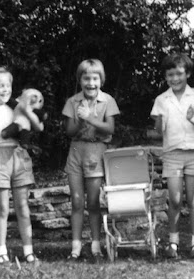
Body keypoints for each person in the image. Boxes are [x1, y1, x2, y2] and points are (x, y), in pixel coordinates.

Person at [0, 67, 43, 264]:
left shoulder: (16, 108)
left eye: (7, 85)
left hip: (18, 155)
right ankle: (1, 251)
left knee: (23, 206)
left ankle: (28, 251)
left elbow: (33, 125)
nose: (5, 89)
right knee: (3, 208)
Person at [150, 53, 194, 259]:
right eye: (170, 75)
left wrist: (193, 118)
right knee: (175, 199)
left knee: (193, 199)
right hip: (172, 153)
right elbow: (158, 131)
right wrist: (159, 122)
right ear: (165, 77)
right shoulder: (161, 100)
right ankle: (173, 242)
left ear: (188, 74)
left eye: (179, 74)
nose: (174, 78)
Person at [62, 59, 120, 262]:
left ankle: (96, 246)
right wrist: (79, 120)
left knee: (94, 203)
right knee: (77, 201)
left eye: (95, 78)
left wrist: (90, 118)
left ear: (101, 80)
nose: (91, 83)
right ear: (80, 80)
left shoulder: (108, 100)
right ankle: (75, 248)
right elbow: (69, 131)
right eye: (86, 78)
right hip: (76, 150)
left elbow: (110, 129)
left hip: (97, 151)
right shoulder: (72, 101)